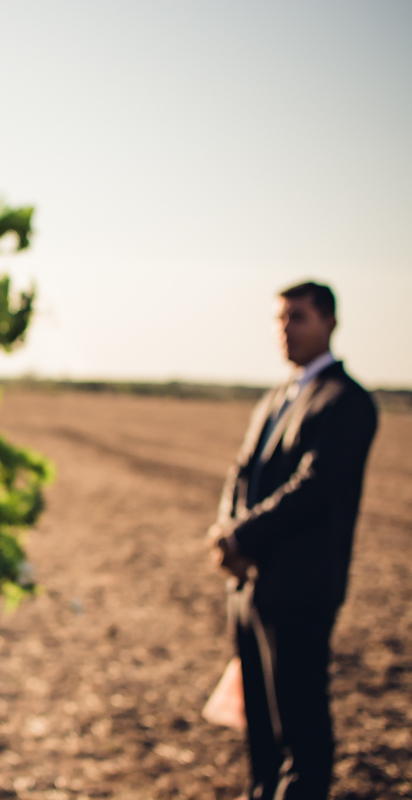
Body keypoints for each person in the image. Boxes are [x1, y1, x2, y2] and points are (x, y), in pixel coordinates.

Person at [207, 281, 378, 800]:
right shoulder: (277, 397)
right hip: (250, 585)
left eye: (298, 318)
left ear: (329, 323)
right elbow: (240, 473)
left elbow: (315, 488)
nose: (286, 329)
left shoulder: (348, 402)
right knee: (257, 720)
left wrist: (241, 536)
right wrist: (225, 535)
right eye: (281, 318)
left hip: (301, 588)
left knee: (299, 720)